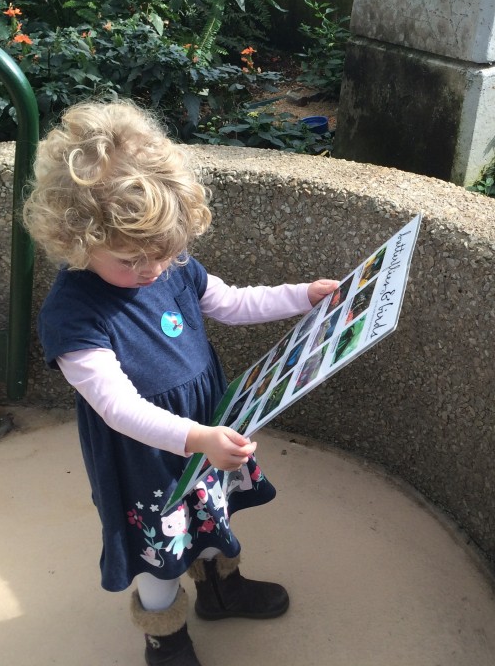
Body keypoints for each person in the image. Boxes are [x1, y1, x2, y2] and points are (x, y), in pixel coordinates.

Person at [22, 100, 337, 666]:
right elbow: (117, 408)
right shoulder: (73, 316)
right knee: (159, 553)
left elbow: (233, 303)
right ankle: (164, 635)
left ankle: (221, 590)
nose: (150, 269)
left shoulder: (169, 263)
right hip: (145, 454)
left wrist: (301, 296)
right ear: (76, 239)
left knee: (212, 516)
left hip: (205, 428)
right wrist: (198, 439)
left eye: (163, 252)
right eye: (130, 259)